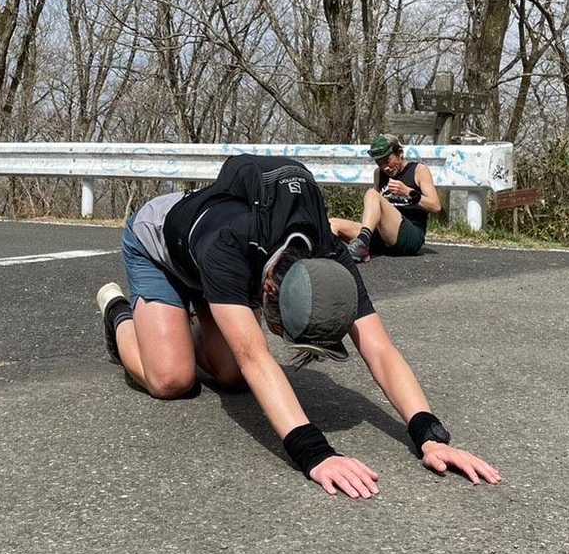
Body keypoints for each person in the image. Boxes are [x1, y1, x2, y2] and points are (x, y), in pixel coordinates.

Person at [93, 153, 502, 499]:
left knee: (231, 378)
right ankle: (120, 313)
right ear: (270, 290)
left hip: (221, 267)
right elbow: (255, 357)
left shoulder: (333, 255)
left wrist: (429, 435)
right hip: (161, 244)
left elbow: (379, 348)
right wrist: (315, 454)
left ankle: (183, 323)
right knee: (172, 380)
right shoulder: (227, 246)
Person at [329, 134, 440, 263]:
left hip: (410, 236)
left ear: (400, 153)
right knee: (332, 224)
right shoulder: (379, 173)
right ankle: (331, 254)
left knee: (372, 194)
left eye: (387, 161)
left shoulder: (419, 170)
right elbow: (374, 208)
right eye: (379, 163)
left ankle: (362, 244)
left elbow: (436, 206)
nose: (385, 167)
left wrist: (409, 193)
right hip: (383, 236)